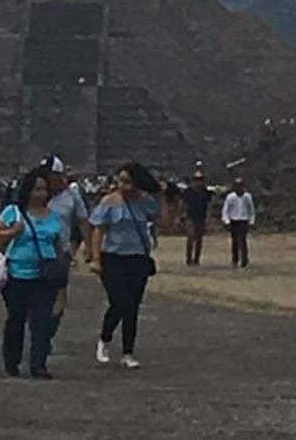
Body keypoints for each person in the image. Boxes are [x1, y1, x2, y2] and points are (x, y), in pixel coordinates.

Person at [90, 162, 171, 369]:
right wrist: (96, 258)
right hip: (113, 256)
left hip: (137, 257)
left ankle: (128, 351)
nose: (122, 185)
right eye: (120, 180)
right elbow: (98, 230)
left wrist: (161, 196)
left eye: (127, 182)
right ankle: (104, 338)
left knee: (132, 306)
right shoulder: (109, 202)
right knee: (120, 301)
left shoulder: (144, 202)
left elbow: (164, 222)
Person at [0, 168, 64, 380]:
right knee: (16, 319)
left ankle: (38, 364)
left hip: (44, 275)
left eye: (44, 189)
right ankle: (12, 360)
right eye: (36, 189)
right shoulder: (13, 212)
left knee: (42, 322)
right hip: (17, 274)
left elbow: (58, 245)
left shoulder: (54, 217)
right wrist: (12, 233)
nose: (40, 193)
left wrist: (60, 269)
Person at [40, 155, 92, 344]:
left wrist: (89, 246)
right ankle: (40, 329)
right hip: (34, 250)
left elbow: (83, 220)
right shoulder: (36, 193)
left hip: (60, 251)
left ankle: (48, 331)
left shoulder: (72, 195)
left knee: (59, 293)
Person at [222, 176, 256, 269]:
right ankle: (235, 258)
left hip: (243, 221)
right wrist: (226, 221)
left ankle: (244, 259)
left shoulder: (247, 197)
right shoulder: (230, 197)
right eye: (237, 186)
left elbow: (251, 210)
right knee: (234, 241)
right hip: (234, 221)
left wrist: (251, 221)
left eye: (240, 186)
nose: (239, 188)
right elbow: (226, 210)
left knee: (242, 240)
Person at [182, 170, 212, 266]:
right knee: (190, 236)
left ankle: (196, 258)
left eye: (200, 180)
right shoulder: (188, 191)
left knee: (199, 238)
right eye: (196, 180)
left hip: (201, 217)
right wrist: (182, 214)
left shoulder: (206, 192)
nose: (198, 182)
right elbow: (183, 204)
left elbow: (209, 205)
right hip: (190, 216)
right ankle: (188, 258)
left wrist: (208, 217)